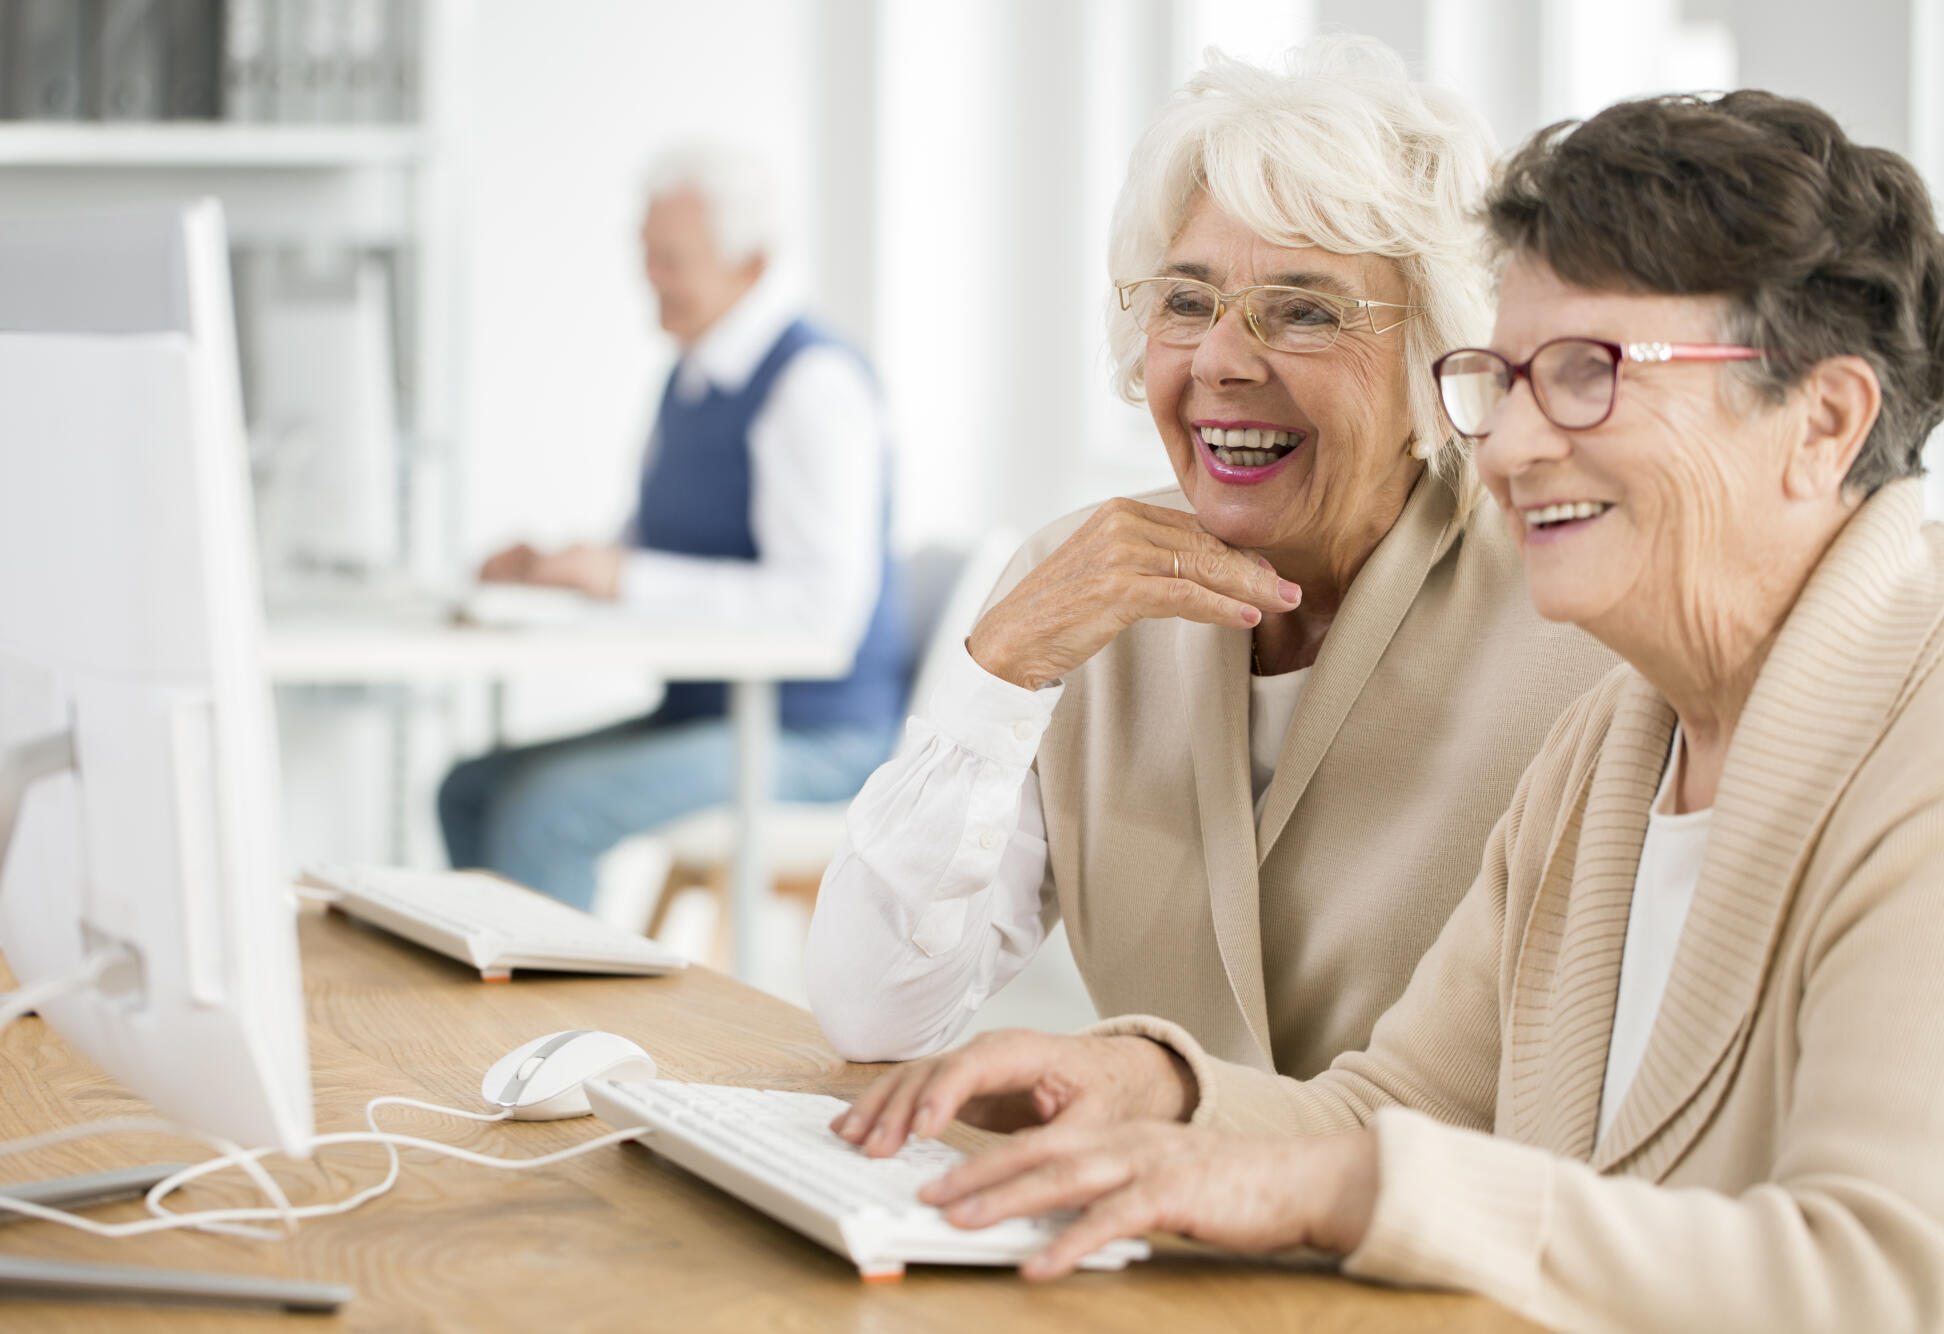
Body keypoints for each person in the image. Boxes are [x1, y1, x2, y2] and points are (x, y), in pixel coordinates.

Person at [832, 89, 1944, 1332]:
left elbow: (1883, 1277)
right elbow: (1399, 1105)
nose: (1512, 446)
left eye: (1586, 375)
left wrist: (1357, 1187)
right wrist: (1148, 1083)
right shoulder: (1623, 740)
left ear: (1824, 420)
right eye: (1507, 379)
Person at [806, 39, 1614, 1074]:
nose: (1222, 360)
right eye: (1184, 302)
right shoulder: (1076, 588)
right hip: (1154, 1221)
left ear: (1435, 350)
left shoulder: (1575, 617)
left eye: (1305, 311)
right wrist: (995, 674)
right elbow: (872, 1012)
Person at [438, 144, 905, 910]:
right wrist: (565, 566)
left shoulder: (813, 387)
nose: (649, 278)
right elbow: (660, 552)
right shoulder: (690, 379)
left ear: (750, 266)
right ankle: (487, 1004)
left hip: (813, 739)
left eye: (672, 259)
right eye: (646, 256)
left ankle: (551, 1028)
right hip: (707, 713)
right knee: (470, 789)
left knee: (547, 812)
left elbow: (822, 610)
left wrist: (623, 576)